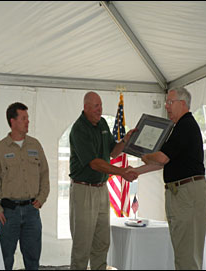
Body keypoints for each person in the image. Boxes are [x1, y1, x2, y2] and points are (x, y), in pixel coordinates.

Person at [131, 87, 206, 270]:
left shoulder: (186, 125)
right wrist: (136, 171)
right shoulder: (178, 128)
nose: (166, 106)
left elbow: (161, 158)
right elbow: (163, 162)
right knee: (183, 253)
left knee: (187, 256)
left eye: (170, 102)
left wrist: (146, 155)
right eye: (166, 102)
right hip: (181, 194)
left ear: (182, 104)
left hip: (187, 194)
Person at [69, 91, 138, 270]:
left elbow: (113, 152)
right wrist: (122, 172)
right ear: (85, 108)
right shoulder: (79, 129)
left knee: (102, 242)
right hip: (84, 190)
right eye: (96, 106)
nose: (100, 110)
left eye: (100, 105)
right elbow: (95, 163)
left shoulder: (103, 124)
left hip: (101, 189)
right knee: (82, 245)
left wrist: (125, 140)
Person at [0, 102, 50, 270]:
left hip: (31, 212)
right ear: (13, 121)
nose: (28, 121)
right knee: (5, 259)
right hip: (8, 213)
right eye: (24, 118)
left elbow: (45, 175)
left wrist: (42, 198)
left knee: (33, 259)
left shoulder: (35, 145)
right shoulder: (0, 149)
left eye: (27, 118)